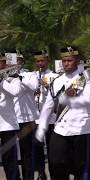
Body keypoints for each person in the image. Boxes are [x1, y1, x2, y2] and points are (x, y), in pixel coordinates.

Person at [35, 46, 90, 180]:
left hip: (81, 129)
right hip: (61, 129)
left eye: (69, 60)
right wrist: (41, 126)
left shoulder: (86, 78)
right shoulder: (57, 81)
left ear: (77, 61)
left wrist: (70, 101)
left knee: (82, 169)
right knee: (56, 163)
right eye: (64, 61)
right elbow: (49, 105)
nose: (66, 63)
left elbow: (89, 99)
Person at [33, 50, 59, 179]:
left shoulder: (54, 76)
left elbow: (58, 96)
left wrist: (48, 87)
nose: (40, 63)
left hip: (50, 119)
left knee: (51, 148)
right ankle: (41, 172)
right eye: (38, 61)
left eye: (42, 61)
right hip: (37, 118)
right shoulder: (32, 75)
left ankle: (54, 173)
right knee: (37, 147)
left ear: (47, 61)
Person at [13, 51, 39, 180]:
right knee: (11, 154)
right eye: (13, 60)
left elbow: (34, 86)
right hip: (10, 120)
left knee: (27, 152)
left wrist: (19, 78)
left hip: (26, 118)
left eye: (18, 60)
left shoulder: (29, 74)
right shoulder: (4, 76)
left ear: (22, 61)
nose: (15, 63)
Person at [0, 54, 22, 180]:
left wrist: (2, 81)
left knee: (10, 159)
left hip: (7, 124)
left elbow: (15, 92)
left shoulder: (13, 79)